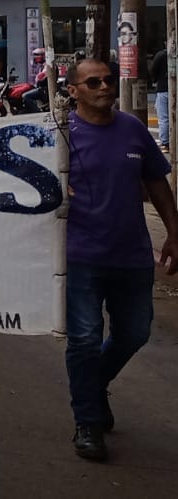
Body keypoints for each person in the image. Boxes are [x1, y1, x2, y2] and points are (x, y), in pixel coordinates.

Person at [60, 57, 177, 461]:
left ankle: (93, 387)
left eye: (108, 80)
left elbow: (156, 182)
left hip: (132, 256)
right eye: (93, 82)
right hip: (81, 257)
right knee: (85, 339)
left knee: (134, 333)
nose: (104, 87)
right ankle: (88, 422)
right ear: (73, 90)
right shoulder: (59, 135)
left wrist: (174, 234)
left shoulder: (132, 129)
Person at [20, 48, 50, 113]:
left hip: (44, 89)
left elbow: (41, 78)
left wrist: (39, 79)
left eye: (37, 55)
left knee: (25, 96)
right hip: (41, 87)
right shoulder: (41, 66)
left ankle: (37, 112)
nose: (35, 57)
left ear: (43, 56)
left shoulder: (47, 66)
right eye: (35, 55)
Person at [151, 46, 169, 152]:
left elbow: (154, 70)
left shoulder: (161, 55)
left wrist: (155, 80)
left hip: (163, 88)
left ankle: (165, 143)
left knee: (163, 118)